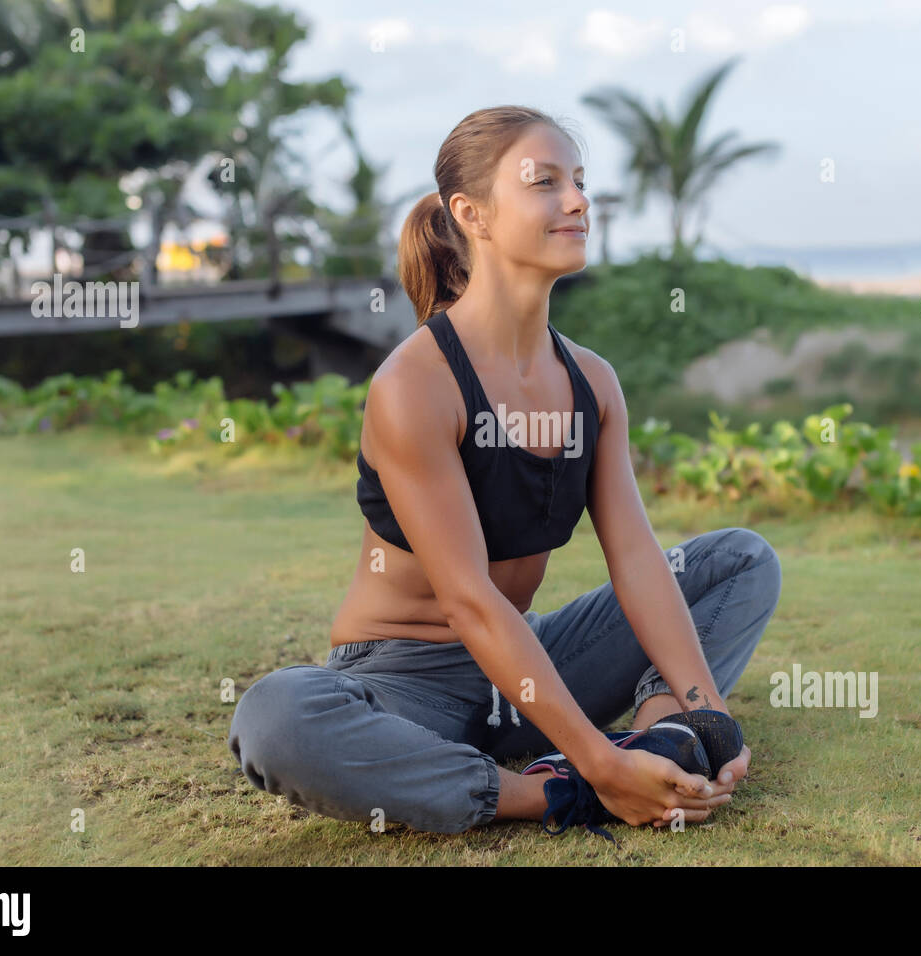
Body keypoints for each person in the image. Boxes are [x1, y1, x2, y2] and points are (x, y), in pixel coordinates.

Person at [228, 105, 782, 837]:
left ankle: (662, 740)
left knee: (739, 560)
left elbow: (640, 562)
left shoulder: (592, 382)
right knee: (277, 716)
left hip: (528, 665)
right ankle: (558, 792)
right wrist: (597, 766)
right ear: (473, 213)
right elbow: (467, 600)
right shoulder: (416, 384)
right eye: (545, 183)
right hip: (404, 683)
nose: (579, 201)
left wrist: (702, 709)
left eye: (579, 182)